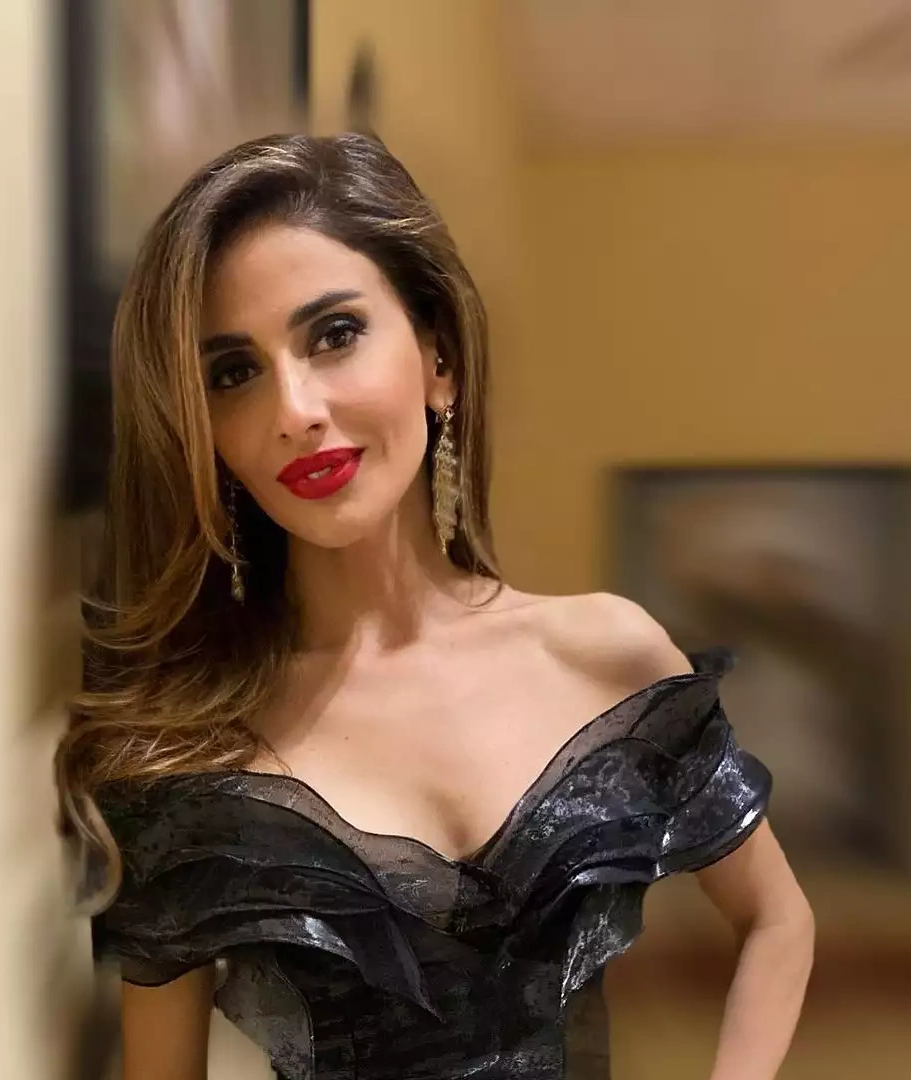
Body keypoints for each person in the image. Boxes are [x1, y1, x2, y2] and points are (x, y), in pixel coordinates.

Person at [56, 133, 814, 1080]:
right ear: (204, 432)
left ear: (439, 359)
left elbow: (777, 919)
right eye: (233, 373)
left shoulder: (605, 656)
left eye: (334, 334)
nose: (295, 410)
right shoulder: (187, 747)